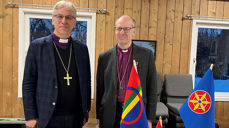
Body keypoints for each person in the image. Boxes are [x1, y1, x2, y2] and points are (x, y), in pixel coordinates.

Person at [22, 1, 91, 128]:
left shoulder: (82, 49)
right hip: (47, 117)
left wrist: (85, 111)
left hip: (75, 118)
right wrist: (30, 116)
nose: (64, 21)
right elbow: (28, 83)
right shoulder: (37, 47)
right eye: (59, 16)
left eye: (69, 17)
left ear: (74, 22)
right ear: (53, 20)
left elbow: (86, 81)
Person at [96, 15, 157, 128]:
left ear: (133, 31)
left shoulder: (146, 55)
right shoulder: (104, 57)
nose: (122, 32)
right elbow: (100, 89)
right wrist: (99, 117)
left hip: (136, 111)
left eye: (126, 29)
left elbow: (152, 89)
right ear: (115, 31)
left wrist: (149, 118)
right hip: (110, 112)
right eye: (119, 28)